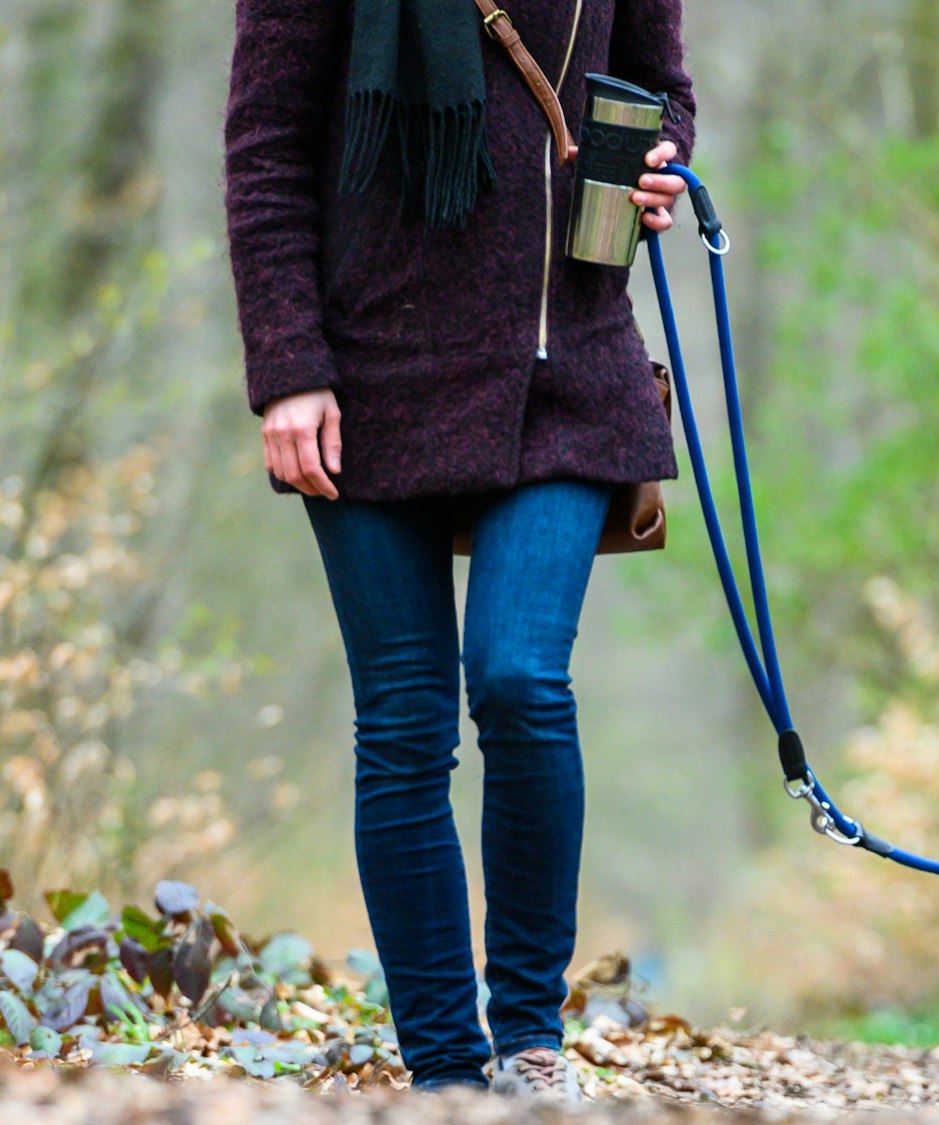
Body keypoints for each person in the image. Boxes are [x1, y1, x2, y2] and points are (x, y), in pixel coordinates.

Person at [222, 0, 694, 1099]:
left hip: (563, 372)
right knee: (402, 720)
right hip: (364, 378)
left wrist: (661, 161)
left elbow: (660, 86)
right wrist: (287, 367)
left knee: (522, 680)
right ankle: (444, 1071)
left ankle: (528, 1041)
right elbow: (265, 151)